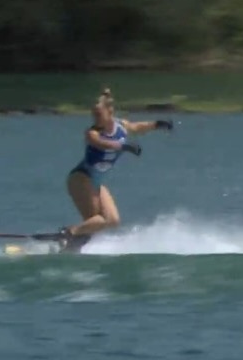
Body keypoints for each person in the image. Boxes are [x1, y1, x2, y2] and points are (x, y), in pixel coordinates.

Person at [55, 87, 173, 253]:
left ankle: (71, 245)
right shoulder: (92, 133)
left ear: (110, 112)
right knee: (98, 220)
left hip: (97, 182)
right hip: (81, 179)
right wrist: (122, 146)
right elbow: (102, 144)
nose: (95, 118)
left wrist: (158, 124)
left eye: (98, 114)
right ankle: (68, 233)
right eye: (93, 115)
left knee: (112, 220)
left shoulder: (121, 126)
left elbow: (138, 127)